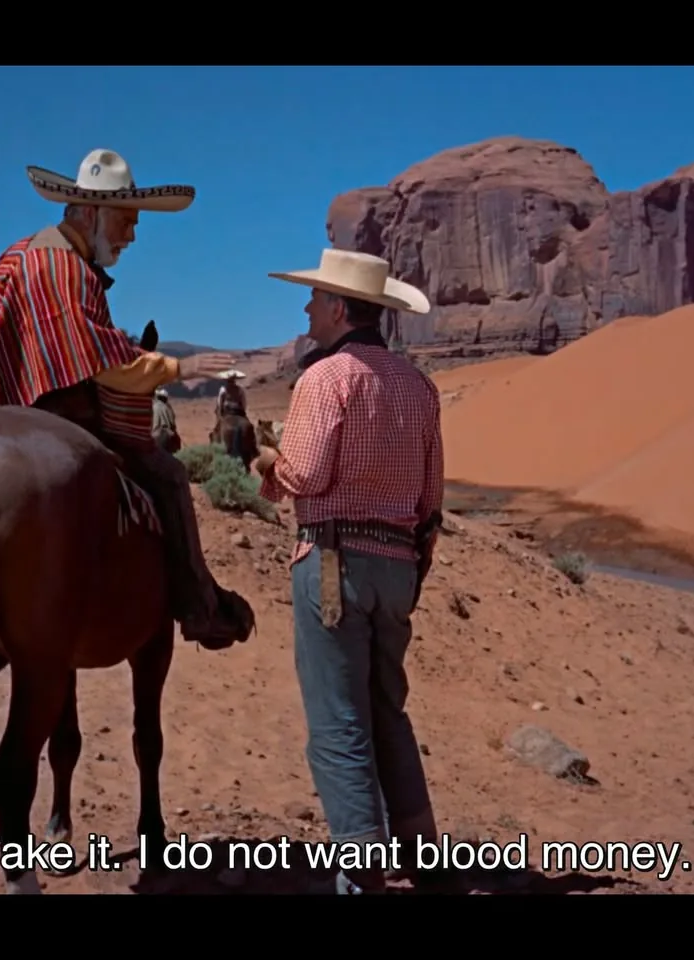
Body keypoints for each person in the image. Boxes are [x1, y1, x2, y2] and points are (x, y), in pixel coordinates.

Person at [0, 147, 255, 649]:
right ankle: (200, 606)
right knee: (171, 477)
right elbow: (102, 360)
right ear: (91, 214)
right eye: (126, 222)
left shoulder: (17, 254)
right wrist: (180, 367)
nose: (132, 235)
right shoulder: (68, 269)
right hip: (60, 414)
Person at [255, 248, 451, 895]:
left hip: (334, 562)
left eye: (314, 299)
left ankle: (361, 871)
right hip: (397, 565)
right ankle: (421, 852)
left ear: (340, 307)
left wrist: (268, 467)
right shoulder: (418, 385)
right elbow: (430, 499)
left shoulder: (326, 378)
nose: (307, 307)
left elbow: (306, 474)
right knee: (387, 709)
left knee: (338, 721)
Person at [152, 387, 181, 454]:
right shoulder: (169, 408)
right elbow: (173, 424)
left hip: (157, 435)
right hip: (169, 434)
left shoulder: (154, 407)